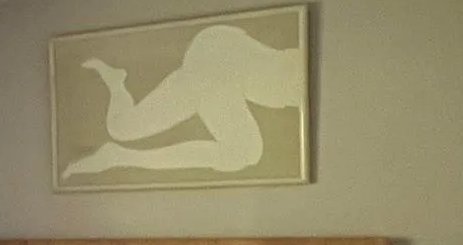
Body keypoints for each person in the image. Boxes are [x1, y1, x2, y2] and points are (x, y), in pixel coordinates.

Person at [63, 22, 300, 177]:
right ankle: (119, 156)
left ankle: (116, 85)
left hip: (217, 60)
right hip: (220, 59)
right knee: (245, 152)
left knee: (121, 127)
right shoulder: (301, 68)